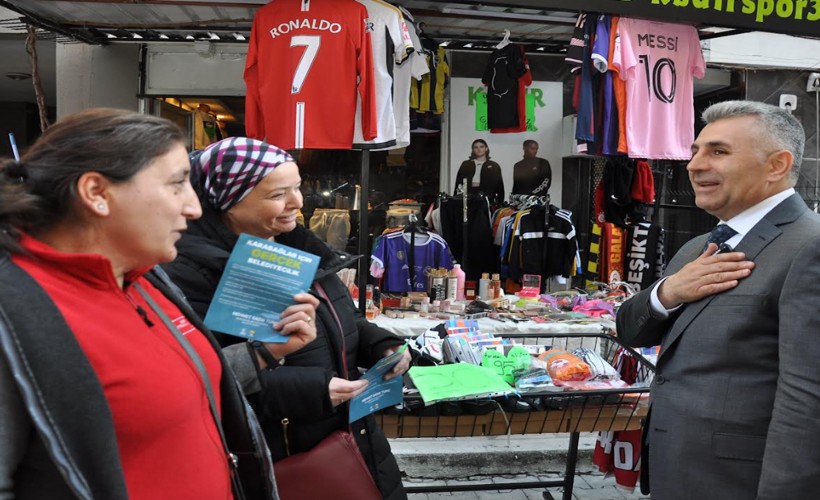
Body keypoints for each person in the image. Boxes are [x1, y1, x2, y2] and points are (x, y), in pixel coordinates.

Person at [0, 108, 311, 499]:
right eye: (176, 184)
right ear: (96, 193)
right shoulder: (15, 312)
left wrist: (268, 351)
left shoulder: (149, 279)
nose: (194, 208)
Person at [161, 137, 412, 500]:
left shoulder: (296, 246)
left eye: (296, 187)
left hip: (355, 443)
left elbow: (339, 321)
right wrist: (312, 390)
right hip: (283, 458)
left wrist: (379, 343)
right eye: (278, 194)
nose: (297, 202)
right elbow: (204, 378)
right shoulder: (189, 273)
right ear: (227, 201)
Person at [617, 100, 820, 499]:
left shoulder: (808, 247)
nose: (693, 165)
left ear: (777, 166)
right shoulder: (698, 248)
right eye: (695, 151)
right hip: (679, 470)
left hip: (741, 482)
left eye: (718, 151)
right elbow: (629, 329)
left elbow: (808, 401)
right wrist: (668, 292)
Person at [453, 138, 504, 205]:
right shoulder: (466, 164)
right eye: (476, 147)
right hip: (468, 197)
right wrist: (455, 198)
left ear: (486, 148)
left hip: (486, 198)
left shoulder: (494, 166)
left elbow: (499, 185)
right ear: (473, 150)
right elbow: (458, 182)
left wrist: (500, 202)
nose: (479, 149)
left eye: (481, 147)